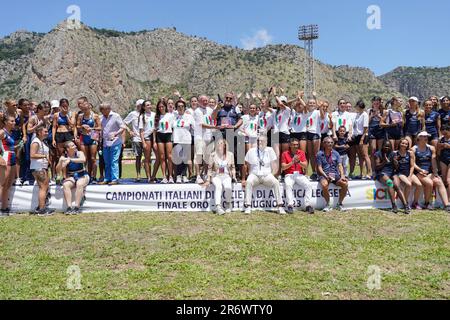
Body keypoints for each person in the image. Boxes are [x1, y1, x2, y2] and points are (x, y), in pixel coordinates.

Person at [242, 135, 285, 215]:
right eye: (258, 141)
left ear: (266, 142)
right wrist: (244, 178)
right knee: (249, 181)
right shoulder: (251, 151)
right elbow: (246, 164)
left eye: (262, 141)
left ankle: (280, 206)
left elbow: (274, 166)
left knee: (276, 182)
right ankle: (248, 206)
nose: (260, 142)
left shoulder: (270, 150)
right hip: (254, 175)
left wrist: (272, 175)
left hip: (266, 175)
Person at [412, 131, 450, 211]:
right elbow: (412, 164)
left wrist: (435, 172)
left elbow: (433, 161)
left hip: (429, 172)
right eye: (423, 136)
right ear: (419, 138)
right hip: (418, 172)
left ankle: (446, 205)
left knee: (439, 181)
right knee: (429, 183)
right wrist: (420, 170)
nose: (426, 138)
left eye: (426, 136)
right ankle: (426, 203)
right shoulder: (414, 149)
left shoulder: (431, 148)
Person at [202, 139, 236, 215]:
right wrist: (208, 179)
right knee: (218, 186)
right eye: (218, 143)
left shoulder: (230, 154)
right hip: (216, 175)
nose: (219, 145)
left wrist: (234, 175)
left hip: (226, 175)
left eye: (221, 143)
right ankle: (218, 206)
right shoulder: (213, 155)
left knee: (228, 187)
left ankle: (228, 204)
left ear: (224, 145)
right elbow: (209, 168)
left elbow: (233, 167)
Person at [374, 141, 410, 214]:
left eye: (388, 146)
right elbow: (377, 167)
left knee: (397, 186)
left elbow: (396, 167)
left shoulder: (393, 154)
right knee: (390, 183)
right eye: (385, 146)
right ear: (382, 146)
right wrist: (384, 161)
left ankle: (405, 205)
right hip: (382, 173)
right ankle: (394, 205)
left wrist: (395, 162)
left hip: (392, 172)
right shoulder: (378, 154)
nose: (387, 148)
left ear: (391, 147)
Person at [281, 138, 314, 214]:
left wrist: (299, 162)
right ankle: (290, 205)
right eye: (294, 145)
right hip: (289, 174)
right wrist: (292, 162)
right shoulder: (285, 153)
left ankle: (308, 205)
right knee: (288, 185)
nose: (296, 146)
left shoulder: (301, 153)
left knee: (308, 185)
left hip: (299, 174)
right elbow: (283, 167)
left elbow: (305, 166)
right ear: (290, 145)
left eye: (297, 144)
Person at [316, 137, 349, 212]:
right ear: (324, 144)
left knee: (345, 184)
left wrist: (342, 175)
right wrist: (325, 176)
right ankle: (328, 205)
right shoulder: (319, 154)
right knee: (324, 185)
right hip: (324, 174)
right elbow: (319, 167)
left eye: (331, 142)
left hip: (334, 174)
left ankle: (339, 204)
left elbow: (340, 165)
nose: (330, 144)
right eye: (328, 142)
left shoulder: (336, 153)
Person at [56, 141, 89, 215]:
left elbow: (83, 160)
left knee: (79, 184)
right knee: (65, 185)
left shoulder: (79, 153)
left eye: (74, 145)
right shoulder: (64, 156)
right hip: (71, 176)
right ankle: (69, 207)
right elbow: (58, 170)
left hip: (82, 174)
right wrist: (60, 162)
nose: (75, 146)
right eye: (72, 145)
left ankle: (77, 207)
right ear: (67, 149)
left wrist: (70, 160)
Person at [98, 103, 126, 185]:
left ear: (108, 109)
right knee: (107, 162)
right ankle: (107, 178)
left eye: (103, 110)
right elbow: (100, 130)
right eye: (101, 110)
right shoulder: (101, 118)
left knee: (114, 161)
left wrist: (116, 134)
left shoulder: (116, 116)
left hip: (115, 142)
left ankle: (114, 179)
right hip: (105, 143)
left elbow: (123, 127)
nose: (102, 112)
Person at [30, 125, 54, 216]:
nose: (47, 133)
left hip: (42, 167)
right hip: (38, 167)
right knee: (43, 188)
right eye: (45, 131)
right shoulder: (36, 142)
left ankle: (40, 207)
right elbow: (32, 155)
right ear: (39, 132)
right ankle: (42, 210)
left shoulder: (41, 142)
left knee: (43, 187)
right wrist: (45, 156)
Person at [394, 138, 422, 210]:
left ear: (408, 145)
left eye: (406, 144)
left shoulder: (410, 153)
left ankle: (415, 203)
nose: (404, 145)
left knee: (419, 185)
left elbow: (412, 166)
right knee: (409, 184)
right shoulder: (395, 153)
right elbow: (394, 167)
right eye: (402, 143)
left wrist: (410, 175)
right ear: (399, 143)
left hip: (409, 173)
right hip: (400, 173)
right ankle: (405, 203)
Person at [77, 103, 101, 184]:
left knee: (93, 158)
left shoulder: (95, 116)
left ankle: (93, 177)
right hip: (84, 137)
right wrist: (82, 127)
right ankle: (85, 176)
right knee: (85, 159)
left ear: (90, 108)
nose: (85, 111)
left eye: (86, 109)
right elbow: (77, 126)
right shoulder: (81, 116)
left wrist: (91, 128)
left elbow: (100, 127)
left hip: (93, 136)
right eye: (83, 109)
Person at [194, 95, 216, 184]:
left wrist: (217, 108)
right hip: (200, 137)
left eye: (206, 100)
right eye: (203, 100)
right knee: (198, 156)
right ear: (199, 102)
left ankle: (206, 173)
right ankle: (198, 175)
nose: (205, 102)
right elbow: (201, 124)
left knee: (208, 157)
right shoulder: (197, 111)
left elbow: (214, 117)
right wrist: (214, 126)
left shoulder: (210, 110)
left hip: (209, 137)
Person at [3, 100, 26, 186]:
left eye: (16, 105)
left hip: (17, 134)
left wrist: (24, 135)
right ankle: (7, 176)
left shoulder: (19, 112)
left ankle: (17, 178)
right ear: (8, 105)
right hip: (9, 134)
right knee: (8, 155)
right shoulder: (4, 114)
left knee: (17, 156)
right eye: (13, 105)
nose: (16, 106)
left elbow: (22, 124)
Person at [172, 100, 195, 183]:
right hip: (177, 139)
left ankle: (184, 175)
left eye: (182, 106)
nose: (180, 108)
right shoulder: (174, 116)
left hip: (186, 139)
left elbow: (194, 127)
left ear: (185, 107)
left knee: (185, 158)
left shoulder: (189, 116)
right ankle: (178, 175)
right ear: (176, 108)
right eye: (178, 106)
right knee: (178, 158)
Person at [349, 100, 372, 179]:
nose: (356, 107)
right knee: (360, 155)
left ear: (360, 106)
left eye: (357, 106)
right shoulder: (357, 114)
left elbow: (365, 128)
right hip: (356, 136)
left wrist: (362, 139)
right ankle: (361, 173)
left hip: (363, 136)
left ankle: (369, 172)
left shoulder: (364, 114)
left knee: (365, 155)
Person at [0, 115, 18, 216]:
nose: (14, 123)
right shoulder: (2, 132)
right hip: (5, 157)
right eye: (11, 121)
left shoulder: (10, 133)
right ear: (6, 122)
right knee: (2, 184)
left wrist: (17, 146)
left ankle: (5, 208)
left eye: (14, 121)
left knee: (8, 184)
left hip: (12, 157)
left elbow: (9, 145)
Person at [154, 99, 175, 184]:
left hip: (168, 135)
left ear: (165, 107)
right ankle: (164, 177)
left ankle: (170, 176)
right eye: (159, 107)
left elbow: (173, 127)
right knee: (162, 157)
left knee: (169, 156)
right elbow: (154, 130)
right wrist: (155, 141)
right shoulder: (156, 116)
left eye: (162, 106)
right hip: (160, 136)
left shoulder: (170, 115)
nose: (161, 108)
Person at [305, 97, 326, 180]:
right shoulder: (306, 112)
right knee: (310, 155)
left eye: (313, 103)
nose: (312, 104)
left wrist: (320, 106)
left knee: (316, 154)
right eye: (310, 103)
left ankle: (319, 172)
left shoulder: (317, 112)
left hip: (315, 134)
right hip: (307, 133)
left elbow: (323, 116)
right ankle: (314, 172)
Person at [124, 99, 144, 182]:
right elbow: (123, 123)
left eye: (142, 105)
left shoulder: (146, 113)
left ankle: (149, 175)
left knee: (147, 158)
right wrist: (130, 131)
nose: (141, 106)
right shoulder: (133, 114)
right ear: (137, 105)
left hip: (146, 138)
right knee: (138, 157)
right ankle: (138, 175)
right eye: (139, 105)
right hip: (136, 138)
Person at [137, 100, 156, 183]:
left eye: (150, 104)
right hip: (147, 137)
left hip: (155, 136)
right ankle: (149, 177)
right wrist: (143, 142)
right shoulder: (142, 116)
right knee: (147, 159)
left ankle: (154, 175)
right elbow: (141, 131)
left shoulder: (155, 114)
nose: (149, 106)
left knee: (159, 157)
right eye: (147, 105)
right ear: (144, 107)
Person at [52, 99, 75, 170]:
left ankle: (70, 172)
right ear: (60, 106)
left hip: (68, 134)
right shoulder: (56, 115)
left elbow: (72, 124)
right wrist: (53, 139)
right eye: (63, 106)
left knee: (70, 153)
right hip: (59, 134)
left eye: (66, 106)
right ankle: (63, 174)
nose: (65, 108)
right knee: (61, 155)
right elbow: (54, 127)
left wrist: (66, 115)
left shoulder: (72, 113)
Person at [368, 96, 385, 175]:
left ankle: (380, 169)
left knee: (379, 151)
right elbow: (367, 122)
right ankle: (373, 170)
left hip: (380, 131)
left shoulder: (383, 111)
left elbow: (384, 122)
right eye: (374, 101)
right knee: (373, 151)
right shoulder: (369, 110)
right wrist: (372, 116)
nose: (376, 103)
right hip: (372, 131)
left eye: (378, 102)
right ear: (372, 102)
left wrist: (379, 117)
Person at [437, 124, 450, 197]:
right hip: (443, 159)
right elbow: (438, 152)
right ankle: (445, 199)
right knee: (444, 180)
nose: (444, 135)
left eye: (446, 133)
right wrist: (440, 147)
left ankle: (449, 200)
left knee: (448, 180)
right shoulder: (441, 139)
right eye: (443, 133)